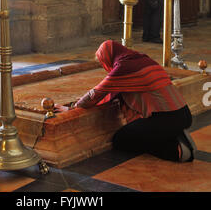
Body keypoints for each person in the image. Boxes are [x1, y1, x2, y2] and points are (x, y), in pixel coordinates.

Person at [65, 40, 196, 163]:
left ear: (107, 58)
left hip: (166, 118)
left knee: (121, 140)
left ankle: (177, 150)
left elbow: (97, 93)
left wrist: (75, 107)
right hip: (183, 114)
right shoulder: (143, 59)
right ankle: (173, 132)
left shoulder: (124, 67)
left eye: (103, 62)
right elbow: (111, 90)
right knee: (138, 131)